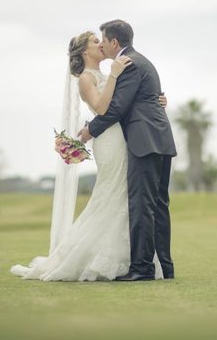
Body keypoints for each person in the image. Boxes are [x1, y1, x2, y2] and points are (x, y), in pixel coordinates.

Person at [10, 28, 169, 281]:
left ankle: (131, 260)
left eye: (101, 39)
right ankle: (97, 259)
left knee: (123, 196)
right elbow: (103, 107)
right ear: (86, 50)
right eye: (96, 41)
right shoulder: (86, 77)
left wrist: (155, 100)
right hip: (110, 140)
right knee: (111, 192)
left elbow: (126, 102)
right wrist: (115, 76)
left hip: (124, 137)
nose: (101, 44)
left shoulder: (106, 73)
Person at [78, 19, 177, 281]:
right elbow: (143, 99)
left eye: (103, 40)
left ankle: (143, 268)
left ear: (114, 43)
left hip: (144, 142)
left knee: (142, 205)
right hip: (160, 139)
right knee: (158, 205)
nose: (102, 45)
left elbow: (116, 108)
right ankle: (165, 267)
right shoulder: (141, 60)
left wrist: (90, 130)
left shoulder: (129, 64)